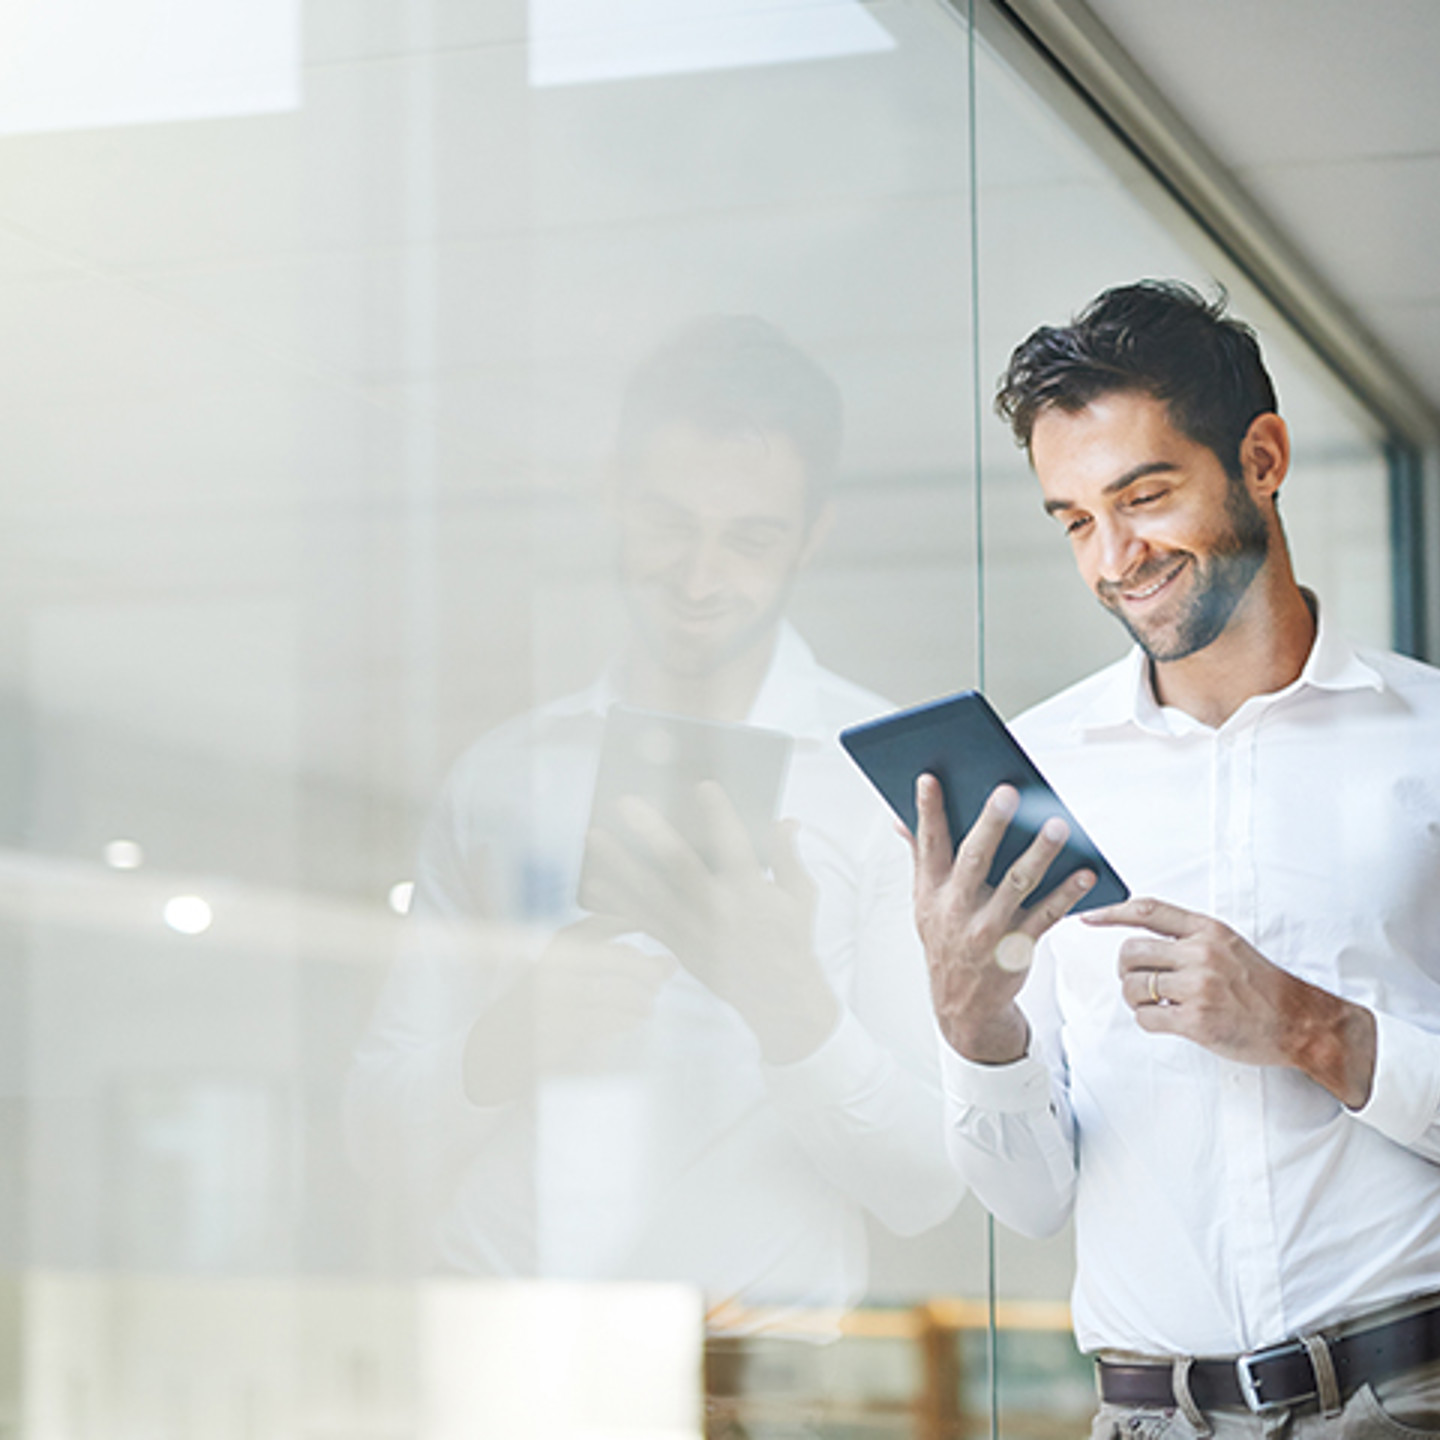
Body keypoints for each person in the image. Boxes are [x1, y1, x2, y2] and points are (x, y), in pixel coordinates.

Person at [344, 317, 963, 1365]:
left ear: (812, 538)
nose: (698, 574)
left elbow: (927, 1188)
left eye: (751, 538)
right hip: (503, 1357)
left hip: (760, 1386)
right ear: (612, 494)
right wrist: (507, 1040)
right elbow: (374, 1139)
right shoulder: (504, 777)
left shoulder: (885, 792)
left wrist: (791, 1008)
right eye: (668, 521)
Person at [912, 280, 1440, 1437]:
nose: (1116, 558)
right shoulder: (1037, 773)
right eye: (1074, 519)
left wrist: (1314, 1029)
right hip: (1145, 1416)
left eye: (1145, 496)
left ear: (1262, 457)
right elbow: (1032, 1200)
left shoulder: (1431, 744)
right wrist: (972, 1023)